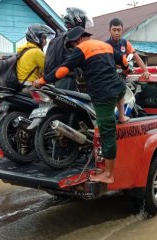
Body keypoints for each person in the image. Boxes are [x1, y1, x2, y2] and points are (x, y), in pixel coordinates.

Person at [33, 26, 131, 184]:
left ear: (78, 40)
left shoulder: (81, 49)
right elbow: (124, 61)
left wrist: (42, 81)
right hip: (120, 89)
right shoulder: (104, 45)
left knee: (107, 135)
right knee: (118, 94)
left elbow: (62, 71)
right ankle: (121, 115)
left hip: (103, 96)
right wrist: (126, 71)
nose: (73, 47)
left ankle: (108, 174)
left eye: (72, 44)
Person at [44, 7, 93, 91]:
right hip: (67, 78)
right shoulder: (73, 38)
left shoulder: (58, 37)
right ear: (79, 20)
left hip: (55, 79)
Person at [16, 24, 55, 91]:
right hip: (29, 86)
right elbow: (49, 68)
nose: (45, 41)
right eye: (43, 38)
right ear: (36, 37)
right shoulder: (36, 52)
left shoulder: (25, 49)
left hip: (20, 84)